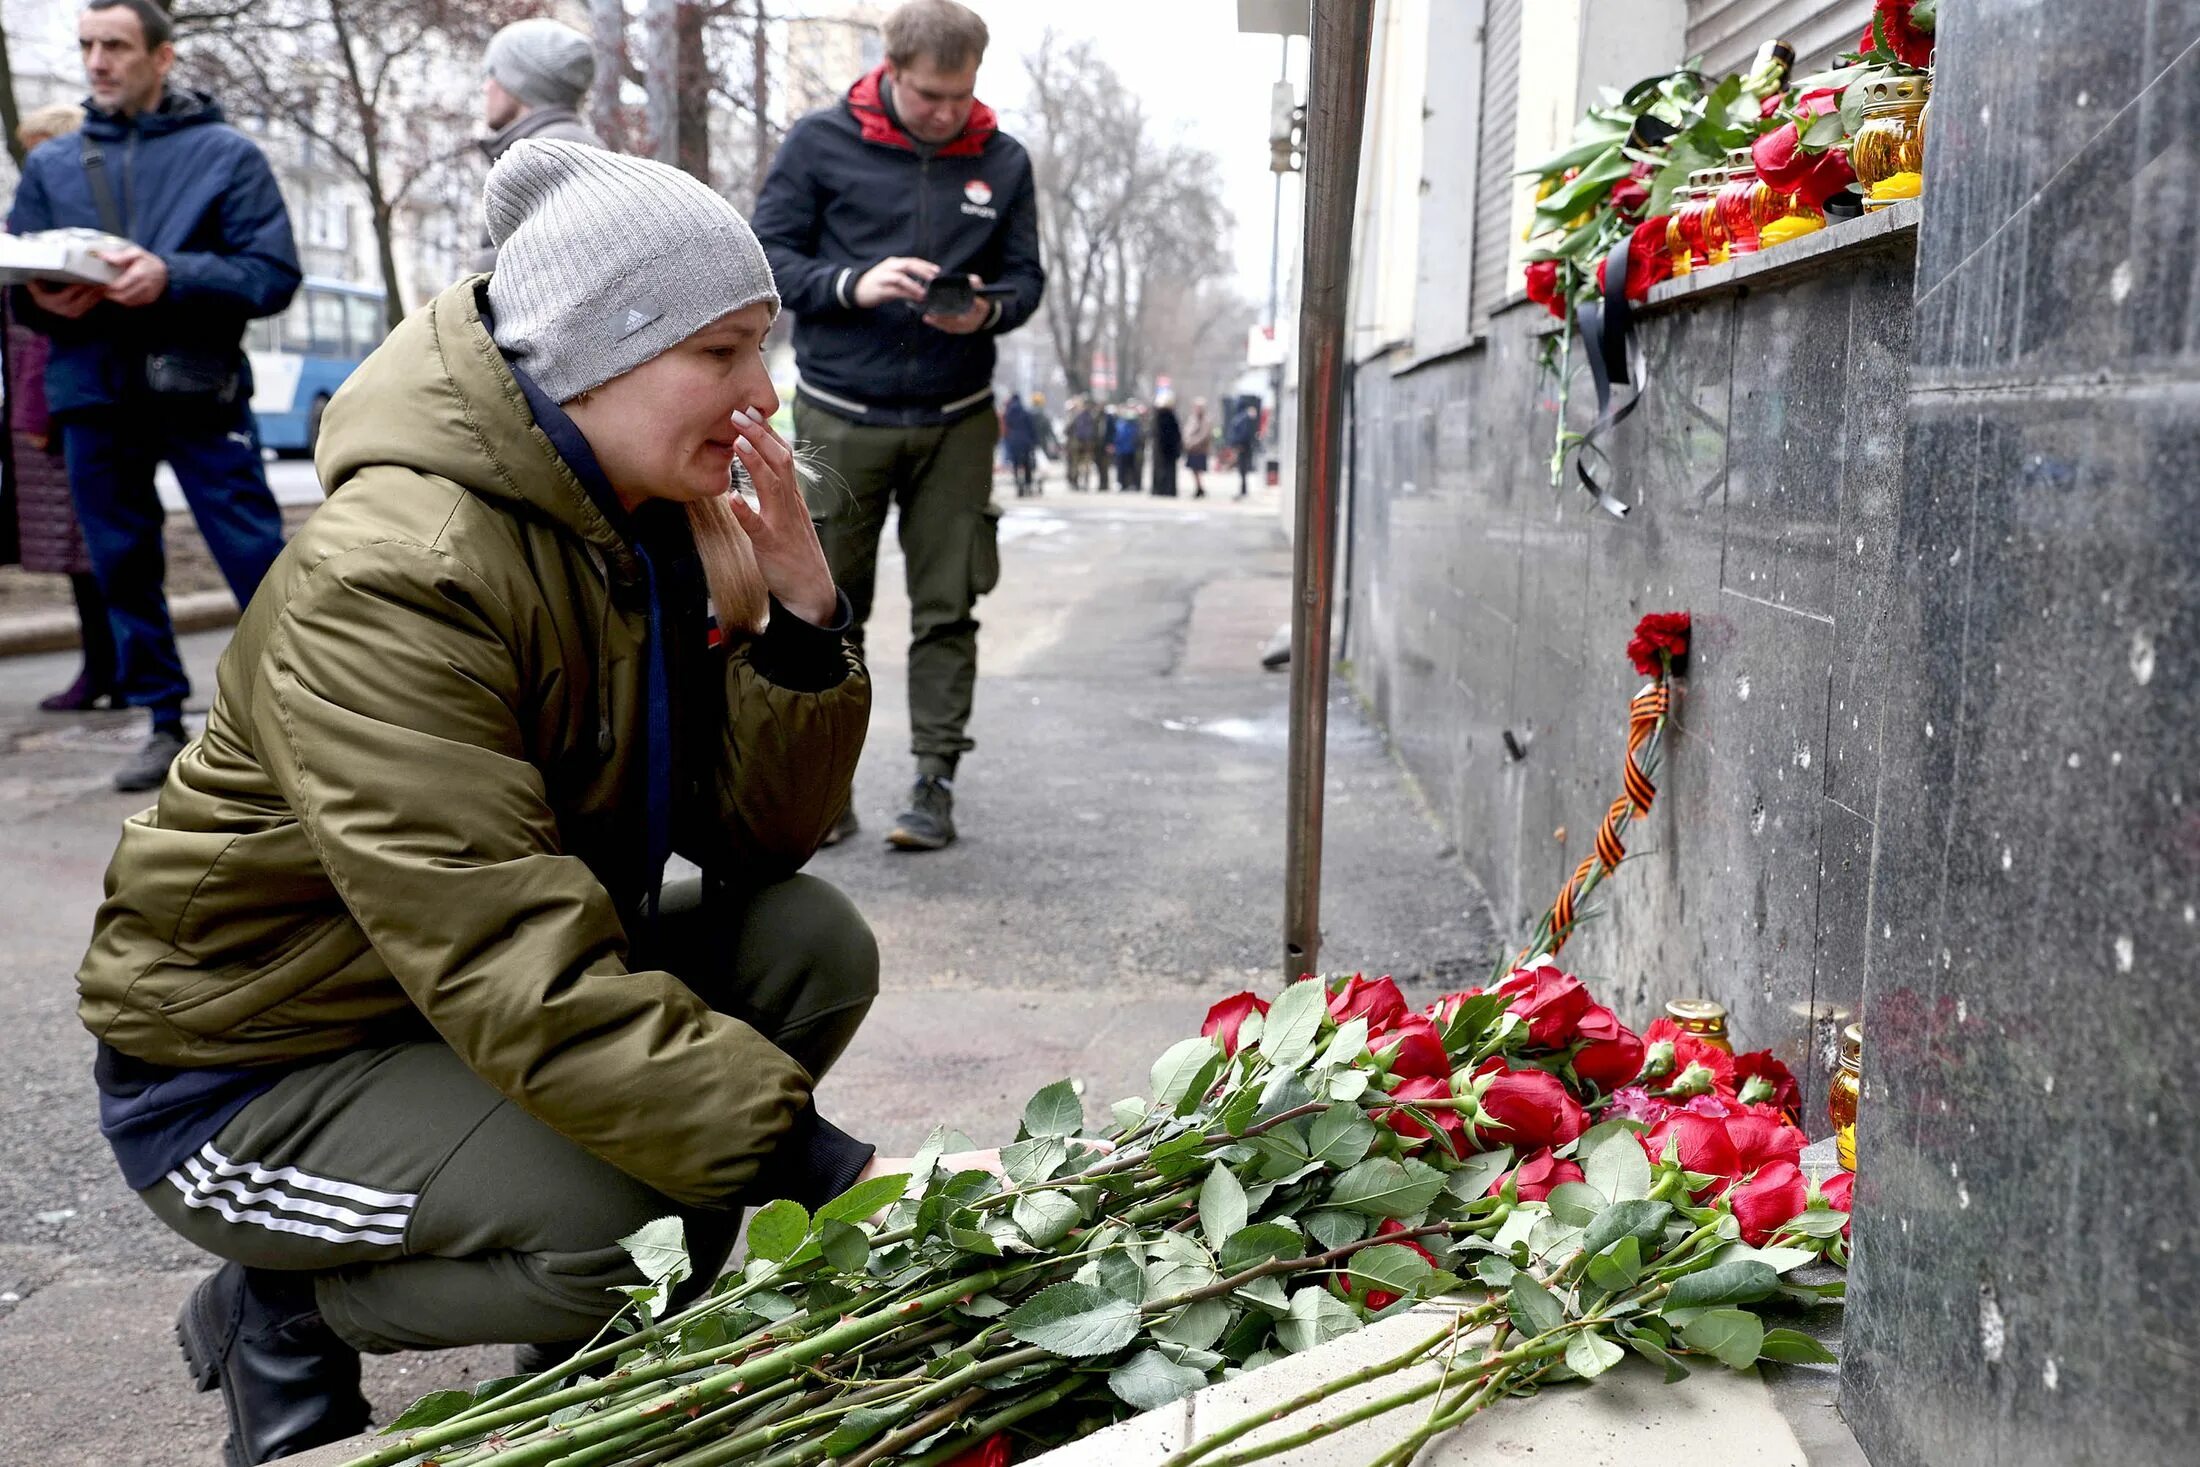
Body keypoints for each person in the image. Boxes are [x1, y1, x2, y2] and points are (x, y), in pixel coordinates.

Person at [78, 140, 986, 1467]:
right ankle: (280, 1304)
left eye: (762, 350)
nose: (765, 397)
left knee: (807, 941)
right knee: (626, 1224)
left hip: (433, 1007)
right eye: (723, 353)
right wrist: (817, 1162)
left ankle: (582, 1362)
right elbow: (503, 950)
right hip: (248, 1063)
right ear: (594, 354)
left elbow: (755, 843)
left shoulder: (633, 517)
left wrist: (799, 620)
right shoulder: (396, 573)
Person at [752, 0, 1045, 852]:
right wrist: (855, 283)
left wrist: (985, 309)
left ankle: (933, 781)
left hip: (957, 420)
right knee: (820, 608)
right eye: (928, 96)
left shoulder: (1003, 160)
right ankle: (824, 787)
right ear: (892, 72)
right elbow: (766, 257)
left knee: (947, 609)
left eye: (961, 96)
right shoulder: (820, 144)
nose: (946, 113)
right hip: (842, 416)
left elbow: (1027, 281)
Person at [7, 0, 300, 791]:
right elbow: (20, 285)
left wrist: (173, 276)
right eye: (86, 46)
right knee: (120, 562)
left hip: (197, 388)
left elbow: (272, 275)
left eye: (116, 45)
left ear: (162, 57)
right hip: (91, 390)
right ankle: (162, 718)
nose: (98, 61)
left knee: (255, 552)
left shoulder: (227, 155)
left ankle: (307, 705)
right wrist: (43, 299)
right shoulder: (51, 166)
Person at [3, 102, 116, 711]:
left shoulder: (67, 244)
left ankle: (108, 670)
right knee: (90, 550)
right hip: (45, 406)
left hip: (59, 408)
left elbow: (44, 341)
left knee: (94, 549)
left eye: (42, 145)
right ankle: (107, 667)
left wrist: (36, 416)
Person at [471, 16, 600, 274]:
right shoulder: (577, 146)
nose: (486, 87)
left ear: (518, 81)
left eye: (492, 73)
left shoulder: (538, 159)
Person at [1001, 390, 1036, 496]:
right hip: (1025, 442)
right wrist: (1034, 442)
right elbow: (1032, 428)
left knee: (1016, 464)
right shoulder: (1026, 412)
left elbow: (1006, 427)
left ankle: (1018, 486)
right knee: (1027, 464)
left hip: (1013, 442)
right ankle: (1028, 485)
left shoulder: (1008, 413)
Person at [1150, 390, 1182, 499]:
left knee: (1164, 470)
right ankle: (1165, 489)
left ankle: (1162, 489)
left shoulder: (1161, 416)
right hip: (1165, 448)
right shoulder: (1165, 416)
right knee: (1165, 471)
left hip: (1164, 448)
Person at [1228, 396, 1262, 498]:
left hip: (1243, 446)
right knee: (1242, 469)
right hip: (1242, 445)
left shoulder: (1242, 418)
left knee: (1243, 469)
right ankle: (1243, 490)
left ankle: (1243, 490)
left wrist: (1239, 444)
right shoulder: (1243, 417)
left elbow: (1244, 433)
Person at [1064, 395, 1098, 491]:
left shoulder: (1076, 416)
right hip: (1088, 444)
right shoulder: (1091, 416)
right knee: (1086, 465)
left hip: (1076, 444)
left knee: (1075, 465)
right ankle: (1085, 483)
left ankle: (1075, 483)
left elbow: (1067, 430)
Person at [1183, 395, 1212, 499]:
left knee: (1198, 469)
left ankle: (1200, 488)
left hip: (1200, 449)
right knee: (1193, 470)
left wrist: (1194, 443)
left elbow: (1204, 435)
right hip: (1192, 449)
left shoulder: (1206, 420)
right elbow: (1187, 431)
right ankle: (1199, 488)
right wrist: (1187, 442)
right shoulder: (1192, 418)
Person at [1112, 404, 1141, 492]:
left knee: (1124, 469)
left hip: (1124, 450)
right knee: (1127, 468)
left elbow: (1117, 437)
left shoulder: (1121, 425)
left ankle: (1125, 483)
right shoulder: (1131, 426)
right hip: (1126, 450)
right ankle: (1127, 483)